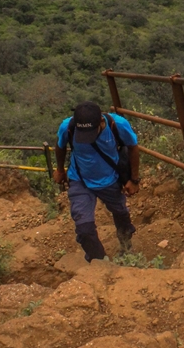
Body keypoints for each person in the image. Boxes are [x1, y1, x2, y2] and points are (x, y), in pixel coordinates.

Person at [53, 101, 141, 262]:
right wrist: (60, 170)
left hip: (110, 179)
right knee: (84, 229)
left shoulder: (118, 125)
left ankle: (126, 247)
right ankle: (100, 262)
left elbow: (133, 147)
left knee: (121, 213)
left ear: (101, 121)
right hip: (80, 180)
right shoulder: (68, 126)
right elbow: (60, 146)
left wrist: (133, 179)